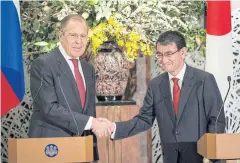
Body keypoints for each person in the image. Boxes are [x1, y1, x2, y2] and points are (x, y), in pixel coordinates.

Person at [98, 31, 226, 163]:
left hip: (200, 157)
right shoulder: (156, 85)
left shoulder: (204, 80)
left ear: (183, 53)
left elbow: (216, 120)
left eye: (169, 54)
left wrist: (212, 155)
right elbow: (144, 120)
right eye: (159, 55)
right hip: (170, 158)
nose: (163, 60)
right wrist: (114, 127)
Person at [28, 14, 111, 162]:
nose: (79, 42)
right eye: (73, 35)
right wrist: (92, 122)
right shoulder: (44, 64)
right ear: (61, 35)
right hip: (51, 149)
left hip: (81, 149)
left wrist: (93, 153)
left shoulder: (88, 69)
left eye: (83, 36)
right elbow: (49, 108)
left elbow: (88, 111)